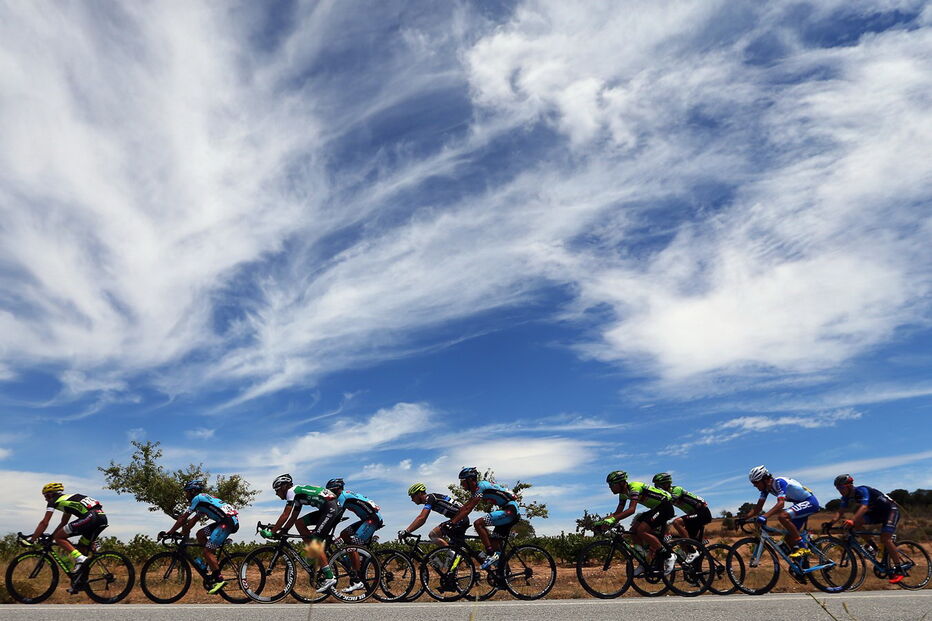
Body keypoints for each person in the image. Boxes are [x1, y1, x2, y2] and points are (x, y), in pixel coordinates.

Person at [262, 474, 341, 592]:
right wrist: (283, 530)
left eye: (277, 490)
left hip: (330, 508)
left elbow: (285, 514)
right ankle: (313, 553)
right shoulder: (297, 496)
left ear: (284, 487)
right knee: (299, 523)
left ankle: (329, 577)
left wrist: (272, 532)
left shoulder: (291, 491)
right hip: (328, 508)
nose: (276, 494)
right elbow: (293, 517)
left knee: (315, 543)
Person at [161, 480, 239, 594]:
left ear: (193, 491)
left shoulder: (197, 499)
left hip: (227, 523)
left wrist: (170, 532)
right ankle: (209, 564)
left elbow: (183, 518)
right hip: (224, 521)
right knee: (200, 534)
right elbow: (192, 521)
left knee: (208, 551)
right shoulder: (203, 502)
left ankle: (219, 580)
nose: (186, 495)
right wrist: (181, 534)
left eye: (187, 493)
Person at [825, 474, 904, 584]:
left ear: (849, 486)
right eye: (838, 489)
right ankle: (873, 547)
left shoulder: (862, 490)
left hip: (890, 511)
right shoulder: (846, 497)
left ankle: (899, 569)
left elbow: (864, 507)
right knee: (856, 524)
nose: (840, 491)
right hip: (877, 513)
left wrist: (852, 520)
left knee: (885, 538)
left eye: (841, 488)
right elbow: (840, 512)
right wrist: (830, 523)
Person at [30, 482, 108, 590]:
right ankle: (80, 581)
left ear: (52, 494)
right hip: (101, 517)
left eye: (46, 496)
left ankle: (81, 559)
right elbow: (63, 523)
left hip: (91, 517)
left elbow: (44, 522)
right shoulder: (68, 500)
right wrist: (51, 537)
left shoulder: (54, 501)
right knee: (81, 547)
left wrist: (32, 539)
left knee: (59, 538)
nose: (46, 499)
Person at [595, 471, 675, 575]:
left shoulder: (634, 487)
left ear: (621, 483)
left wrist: (612, 520)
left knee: (641, 530)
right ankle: (644, 561)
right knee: (633, 530)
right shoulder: (623, 495)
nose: (610, 487)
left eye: (611, 484)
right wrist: (602, 522)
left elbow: (631, 509)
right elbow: (617, 513)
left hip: (665, 507)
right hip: (655, 509)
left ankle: (668, 556)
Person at [446, 467, 521, 570]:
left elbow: (468, 509)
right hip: (507, 509)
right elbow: (464, 507)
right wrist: (450, 521)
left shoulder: (480, 487)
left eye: (463, 481)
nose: (461, 484)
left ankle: (489, 554)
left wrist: (452, 522)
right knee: (495, 543)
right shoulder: (476, 490)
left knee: (478, 524)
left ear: (470, 480)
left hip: (510, 510)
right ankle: (504, 574)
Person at [743, 465, 819, 558]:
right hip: (799, 504)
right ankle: (802, 567)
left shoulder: (779, 482)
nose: (754, 485)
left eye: (756, 482)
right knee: (789, 538)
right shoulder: (766, 489)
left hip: (810, 502)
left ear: (765, 479)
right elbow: (757, 509)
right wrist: (743, 519)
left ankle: (803, 547)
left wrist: (764, 516)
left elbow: (781, 504)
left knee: (783, 516)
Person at [325, 478, 384, 593]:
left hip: (373, 519)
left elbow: (334, 515)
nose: (330, 494)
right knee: (344, 534)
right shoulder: (345, 495)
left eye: (331, 491)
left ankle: (357, 579)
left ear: (337, 489)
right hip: (368, 519)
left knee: (352, 546)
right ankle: (357, 560)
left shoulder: (342, 497)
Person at [651, 472, 711, 559]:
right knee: (683, 542)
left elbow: (668, 503)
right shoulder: (666, 494)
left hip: (703, 513)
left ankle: (691, 550)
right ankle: (692, 561)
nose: (657, 488)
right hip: (694, 515)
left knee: (677, 522)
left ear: (666, 483)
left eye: (658, 486)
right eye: (656, 486)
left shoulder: (676, 489)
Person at [399, 482, 469, 547]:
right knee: (455, 546)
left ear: (419, 494)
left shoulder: (430, 498)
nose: (412, 499)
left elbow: (422, 518)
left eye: (412, 496)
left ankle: (454, 555)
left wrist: (407, 531)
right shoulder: (432, 498)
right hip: (460, 519)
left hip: (459, 519)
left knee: (433, 535)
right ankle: (458, 557)